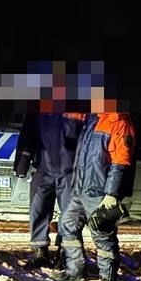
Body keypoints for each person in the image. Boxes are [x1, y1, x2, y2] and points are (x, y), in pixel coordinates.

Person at [56, 86, 135, 281]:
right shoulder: (92, 119)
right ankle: (75, 272)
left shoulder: (119, 122)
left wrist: (111, 194)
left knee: (103, 235)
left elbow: (120, 162)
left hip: (99, 192)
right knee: (67, 225)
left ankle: (107, 280)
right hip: (80, 189)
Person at [15, 107, 85, 268]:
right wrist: (22, 162)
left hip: (71, 170)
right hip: (43, 167)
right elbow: (28, 133)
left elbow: (89, 139)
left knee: (70, 214)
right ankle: (40, 252)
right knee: (37, 209)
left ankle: (65, 252)